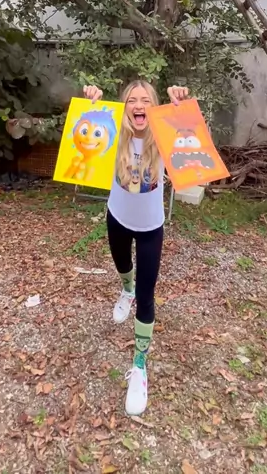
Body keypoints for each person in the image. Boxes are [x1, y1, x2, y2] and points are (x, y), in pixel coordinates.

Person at [83, 79, 189, 417]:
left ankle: (139, 366)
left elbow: (191, 143)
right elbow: (87, 134)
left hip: (150, 229)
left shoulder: (164, 135)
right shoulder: (114, 132)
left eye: (145, 100)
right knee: (122, 268)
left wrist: (179, 110)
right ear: (124, 106)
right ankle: (124, 289)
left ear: (153, 107)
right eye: (131, 100)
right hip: (117, 218)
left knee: (147, 296)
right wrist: (92, 105)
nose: (138, 105)